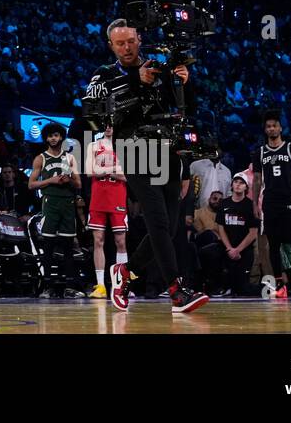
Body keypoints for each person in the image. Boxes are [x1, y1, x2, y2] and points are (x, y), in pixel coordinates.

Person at [86, 19, 209, 314]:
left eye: (130, 41)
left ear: (140, 39)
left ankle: (124, 272)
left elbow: (186, 112)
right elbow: (90, 111)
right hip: (134, 151)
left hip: (168, 152)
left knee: (168, 224)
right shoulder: (104, 75)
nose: (126, 48)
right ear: (110, 46)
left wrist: (185, 83)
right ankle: (176, 292)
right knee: (158, 222)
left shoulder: (158, 66)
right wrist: (134, 82)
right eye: (120, 43)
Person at [251, 112, 291, 299]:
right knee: (274, 245)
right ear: (265, 129)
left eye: (274, 125)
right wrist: (255, 203)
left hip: (290, 202)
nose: (271, 128)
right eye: (268, 126)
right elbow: (257, 180)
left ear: (280, 128)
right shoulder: (259, 152)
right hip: (270, 203)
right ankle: (280, 284)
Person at [31, 122, 83, 298]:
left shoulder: (70, 158)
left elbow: (79, 184)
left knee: (68, 247)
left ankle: (70, 287)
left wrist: (69, 180)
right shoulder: (41, 158)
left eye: (56, 135)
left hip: (67, 204)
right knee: (49, 246)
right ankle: (48, 287)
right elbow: (31, 184)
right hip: (49, 203)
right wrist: (50, 181)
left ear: (61, 137)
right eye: (49, 136)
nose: (53, 138)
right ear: (46, 138)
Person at [87, 126, 129, 299]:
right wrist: (115, 170)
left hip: (117, 196)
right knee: (98, 241)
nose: (109, 128)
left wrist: (102, 170)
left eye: (113, 124)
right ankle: (101, 286)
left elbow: (128, 176)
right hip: (98, 197)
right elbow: (90, 172)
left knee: (120, 241)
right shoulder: (93, 146)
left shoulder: (125, 146)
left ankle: (122, 286)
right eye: (106, 124)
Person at [214, 175, 259, 296]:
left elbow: (253, 232)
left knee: (242, 289)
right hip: (226, 248)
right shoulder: (224, 203)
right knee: (208, 253)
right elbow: (221, 227)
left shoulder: (251, 206)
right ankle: (216, 286)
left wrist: (237, 250)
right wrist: (229, 248)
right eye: (236, 182)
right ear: (232, 185)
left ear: (246, 187)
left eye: (241, 183)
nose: (238, 184)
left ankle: (266, 289)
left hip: (244, 250)